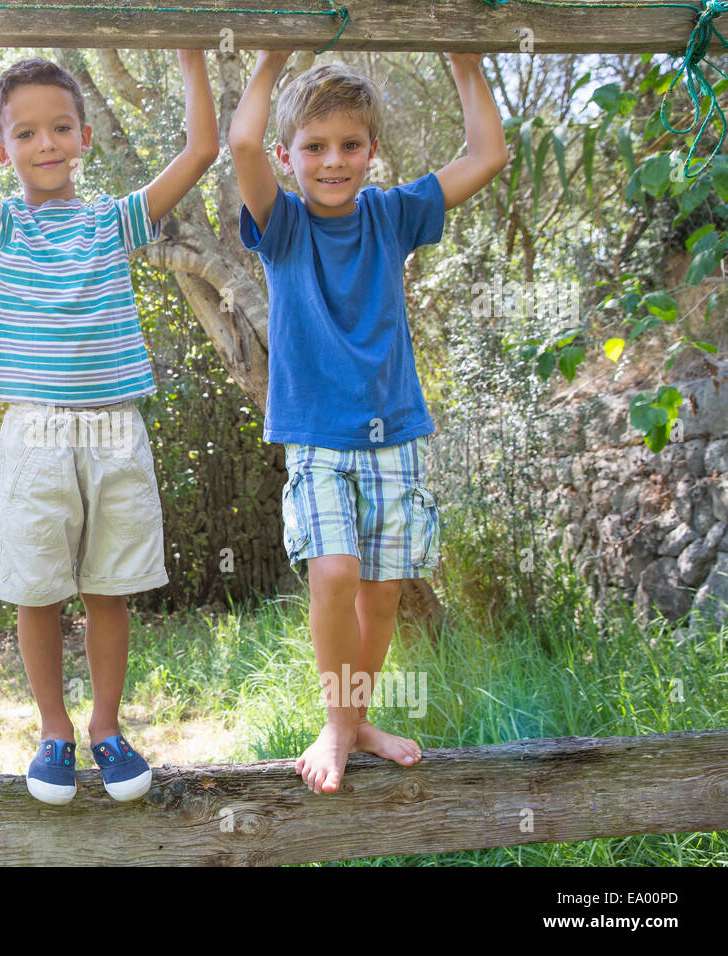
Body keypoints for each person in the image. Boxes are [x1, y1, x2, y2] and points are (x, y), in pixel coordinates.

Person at [0, 50, 218, 804]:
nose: (46, 144)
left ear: (85, 137)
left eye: (60, 128)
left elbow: (203, 151)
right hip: (36, 432)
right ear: (3, 151)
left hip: (114, 427)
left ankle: (107, 728)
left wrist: (186, 59)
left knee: (110, 589)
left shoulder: (114, 222)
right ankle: (53, 731)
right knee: (38, 590)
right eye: (26, 133)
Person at [228, 52, 508, 794]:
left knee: (383, 591)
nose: (334, 161)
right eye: (314, 147)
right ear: (289, 157)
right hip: (318, 438)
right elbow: (243, 145)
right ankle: (335, 720)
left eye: (351, 144)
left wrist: (464, 62)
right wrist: (271, 56)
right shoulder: (281, 226)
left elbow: (488, 154)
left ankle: (356, 721)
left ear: (371, 151)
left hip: (397, 434)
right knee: (336, 571)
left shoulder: (391, 214)